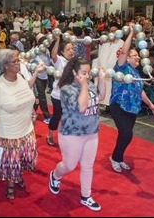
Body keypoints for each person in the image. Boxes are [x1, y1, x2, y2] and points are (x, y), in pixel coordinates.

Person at [48, 57, 105, 211]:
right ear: (74, 72)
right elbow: (81, 107)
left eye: (88, 73)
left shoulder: (90, 84)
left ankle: (86, 196)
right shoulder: (67, 89)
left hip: (91, 132)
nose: (87, 76)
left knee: (88, 166)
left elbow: (100, 97)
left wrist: (101, 79)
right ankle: (55, 176)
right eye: (83, 73)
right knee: (69, 165)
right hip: (72, 134)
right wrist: (85, 85)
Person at [108, 24, 154, 173]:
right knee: (127, 134)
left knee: (125, 136)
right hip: (119, 106)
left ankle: (118, 158)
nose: (138, 56)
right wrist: (131, 33)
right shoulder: (121, 67)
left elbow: (140, 90)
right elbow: (124, 51)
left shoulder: (136, 73)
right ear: (126, 58)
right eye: (134, 55)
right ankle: (115, 158)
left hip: (133, 107)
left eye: (138, 54)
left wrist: (150, 105)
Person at [0, 48, 38, 200]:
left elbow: (27, 97)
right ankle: (10, 184)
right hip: (9, 133)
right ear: (5, 65)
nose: (18, 64)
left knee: (23, 159)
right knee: (11, 162)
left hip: (26, 129)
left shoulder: (21, 78)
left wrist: (32, 112)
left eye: (18, 60)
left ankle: (18, 176)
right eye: (14, 61)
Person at [46, 35, 75, 146]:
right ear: (62, 52)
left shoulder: (74, 62)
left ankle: (66, 136)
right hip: (58, 95)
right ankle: (50, 134)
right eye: (68, 49)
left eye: (72, 48)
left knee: (69, 116)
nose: (71, 51)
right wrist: (57, 39)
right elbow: (53, 55)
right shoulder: (60, 61)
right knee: (57, 115)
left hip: (70, 96)